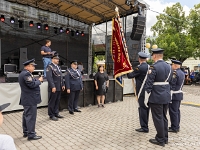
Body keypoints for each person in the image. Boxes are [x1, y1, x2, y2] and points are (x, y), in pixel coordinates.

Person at [145, 48, 172, 147]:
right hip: (166, 95)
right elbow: (171, 82)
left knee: (158, 118)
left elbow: (149, 83)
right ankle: (165, 138)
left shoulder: (153, 67)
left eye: (152, 55)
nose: (152, 57)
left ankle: (160, 139)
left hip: (156, 96)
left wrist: (146, 97)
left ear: (155, 56)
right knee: (164, 117)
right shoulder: (169, 67)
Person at [18, 58, 43, 140]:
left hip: (28, 98)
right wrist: (39, 81)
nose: (34, 68)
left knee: (26, 115)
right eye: (33, 66)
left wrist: (36, 80)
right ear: (28, 66)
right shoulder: (26, 74)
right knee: (31, 117)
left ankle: (26, 132)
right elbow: (31, 84)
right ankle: (31, 135)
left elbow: (31, 82)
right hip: (30, 99)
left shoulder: (26, 73)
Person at [127, 52, 149, 133]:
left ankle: (144, 127)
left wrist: (127, 69)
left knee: (142, 108)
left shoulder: (139, 68)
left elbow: (130, 76)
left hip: (141, 91)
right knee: (147, 108)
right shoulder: (150, 67)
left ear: (139, 59)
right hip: (148, 91)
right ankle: (146, 125)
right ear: (146, 59)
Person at [46, 54, 65, 121]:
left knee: (57, 101)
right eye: (56, 59)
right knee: (52, 101)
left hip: (59, 87)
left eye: (58, 59)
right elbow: (49, 78)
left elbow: (61, 77)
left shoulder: (58, 67)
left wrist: (62, 84)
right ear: (52, 59)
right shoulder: (50, 67)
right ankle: (51, 115)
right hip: (54, 87)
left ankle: (56, 113)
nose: (58, 60)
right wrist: (53, 86)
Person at [169, 60, 185, 133]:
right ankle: (176, 126)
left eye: (172, 65)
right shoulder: (182, 72)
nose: (171, 66)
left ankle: (174, 127)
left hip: (174, 94)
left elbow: (172, 84)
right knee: (177, 111)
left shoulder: (175, 73)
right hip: (179, 94)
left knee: (173, 112)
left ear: (175, 65)